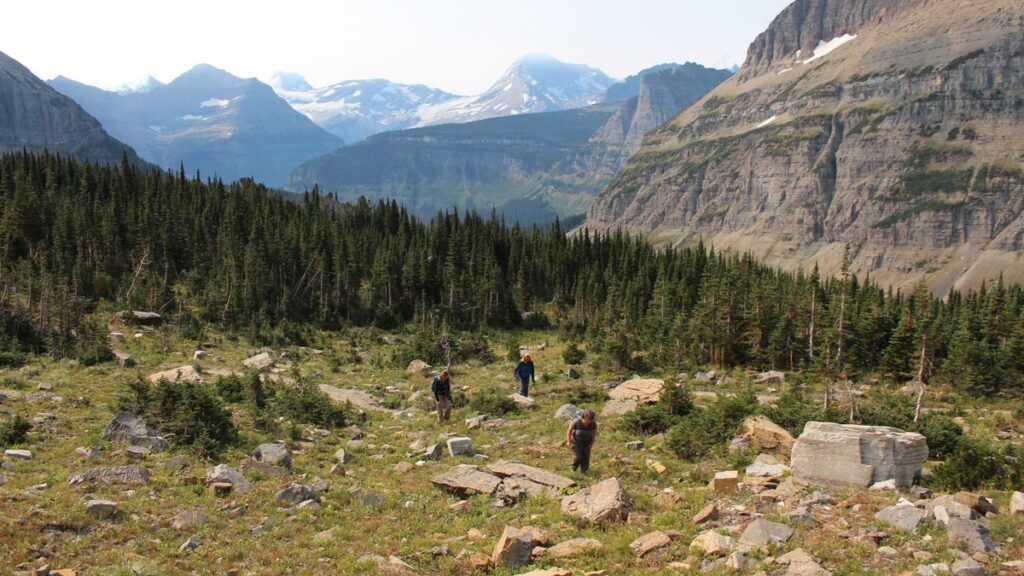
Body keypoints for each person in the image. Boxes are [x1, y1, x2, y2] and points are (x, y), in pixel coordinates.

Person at [567, 409, 597, 473]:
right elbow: (569, 430)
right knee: (578, 456)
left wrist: (591, 444)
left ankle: (584, 471)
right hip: (575, 442)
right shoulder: (577, 421)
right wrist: (568, 441)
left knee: (586, 457)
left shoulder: (593, 424)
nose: (587, 422)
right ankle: (573, 469)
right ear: (583, 417)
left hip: (586, 443)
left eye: (589, 420)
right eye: (586, 420)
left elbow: (594, 434)